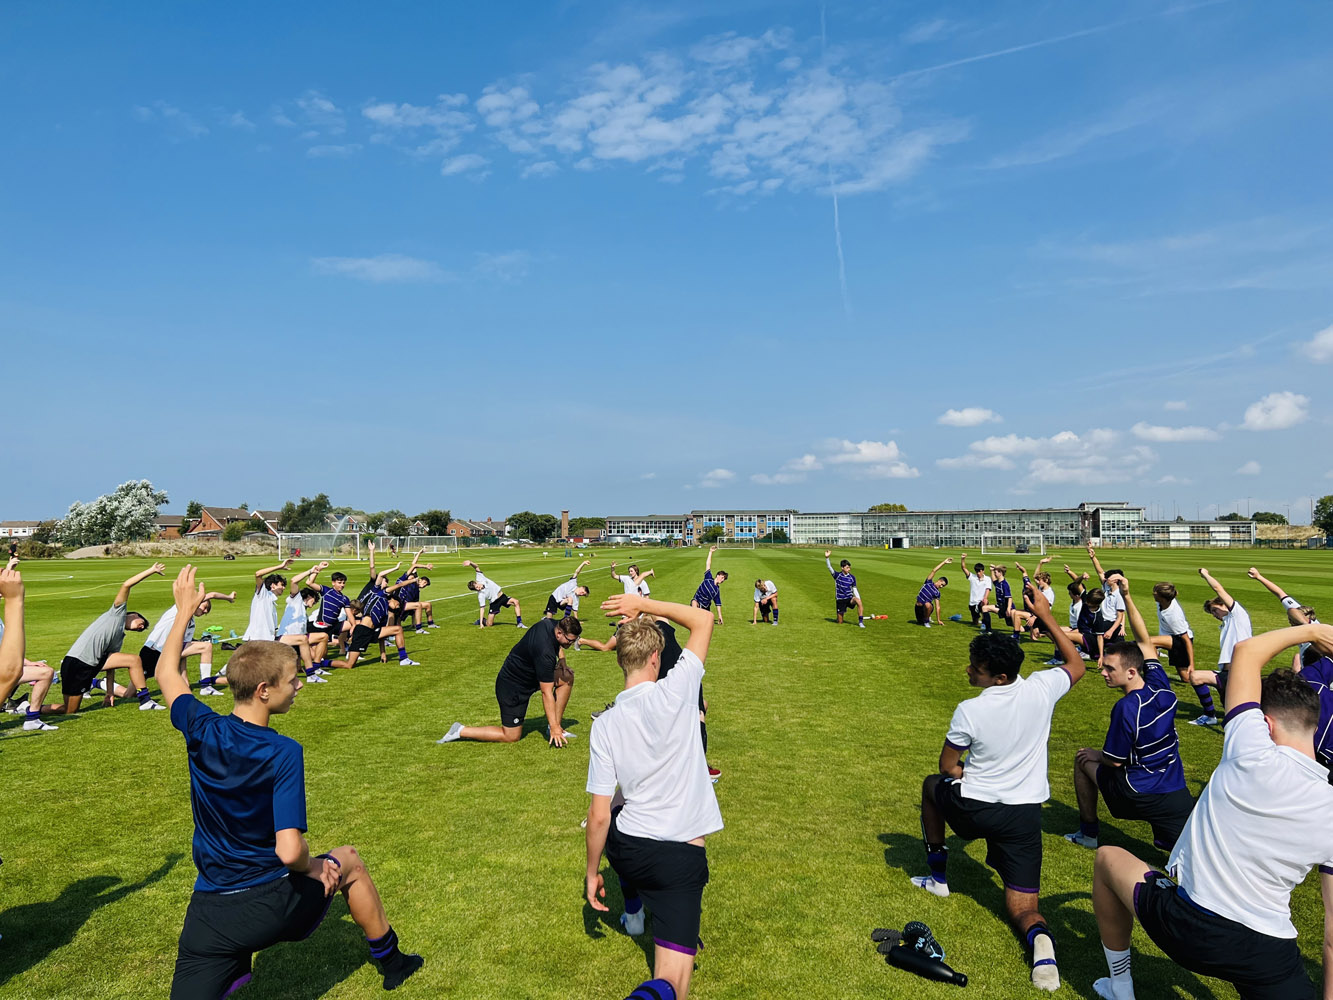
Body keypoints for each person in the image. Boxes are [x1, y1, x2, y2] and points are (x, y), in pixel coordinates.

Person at [154, 566, 423, 998]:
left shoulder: (200, 727)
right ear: (264, 690)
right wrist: (317, 867)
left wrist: (184, 612)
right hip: (269, 903)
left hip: (208, 912)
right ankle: (392, 962)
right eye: (292, 680)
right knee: (348, 859)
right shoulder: (281, 751)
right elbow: (290, 851)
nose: (299, 686)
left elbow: (167, 674)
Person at [1089, 622, 1333, 1000]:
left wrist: (1314, 631)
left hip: (1185, 925)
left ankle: (1120, 985)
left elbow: (1247, 652)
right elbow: (1332, 937)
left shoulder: (1248, 749)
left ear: (1265, 724)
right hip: (1266, 952)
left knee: (1107, 858)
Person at [910, 585, 1084, 992]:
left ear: (999, 676)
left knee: (931, 785)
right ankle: (1041, 944)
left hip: (976, 807)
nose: (968, 671)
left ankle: (938, 879)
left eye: (976, 668)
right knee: (1025, 907)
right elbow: (1076, 663)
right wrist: (1044, 613)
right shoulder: (1042, 688)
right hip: (1024, 815)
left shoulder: (971, 709)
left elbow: (947, 766)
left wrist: (968, 773)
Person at [584, 591, 719, 1000]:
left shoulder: (604, 724)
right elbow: (703, 620)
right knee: (672, 984)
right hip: (677, 858)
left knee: (619, 804)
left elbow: (598, 816)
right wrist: (646, 605)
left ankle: (633, 909)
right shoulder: (677, 690)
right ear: (657, 659)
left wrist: (592, 874)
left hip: (626, 852)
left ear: (621, 660)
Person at [1065, 575, 1193, 853]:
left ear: (1131, 672)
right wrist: (1127, 595)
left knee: (1082, 759)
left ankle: (1088, 834)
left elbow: (1113, 761)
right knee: (1185, 857)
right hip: (1176, 793)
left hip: (1136, 793)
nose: (1102, 672)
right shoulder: (1163, 688)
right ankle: (1163, 835)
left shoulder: (1126, 707)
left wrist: (1095, 755)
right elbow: (1145, 641)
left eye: (1109, 668)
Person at [438, 614, 582, 746]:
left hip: (531, 675)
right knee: (511, 736)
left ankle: (553, 725)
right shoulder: (545, 653)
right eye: (570, 641)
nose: (571, 643)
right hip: (512, 686)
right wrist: (555, 729)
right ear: (559, 633)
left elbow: (557, 644)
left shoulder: (552, 624)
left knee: (567, 677)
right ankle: (460, 730)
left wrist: (562, 660)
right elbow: (546, 693)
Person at [42, 562, 166, 716]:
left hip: (92, 665)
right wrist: (151, 570)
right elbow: (126, 585)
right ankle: (30, 709)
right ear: (134, 614)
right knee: (69, 711)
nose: (142, 627)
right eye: (142, 623)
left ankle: (145, 700)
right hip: (76, 663)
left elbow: (110, 668)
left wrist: (110, 693)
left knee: (134, 660)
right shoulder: (117, 614)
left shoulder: (119, 638)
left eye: (143, 629)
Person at [1184, 567, 1254, 723]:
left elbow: (1218, 588)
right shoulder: (1226, 624)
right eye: (1212, 613)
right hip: (1227, 673)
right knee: (1195, 677)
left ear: (1224, 605)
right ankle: (1210, 716)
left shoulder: (1237, 615)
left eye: (1215, 610)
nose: (1215, 615)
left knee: (1240, 712)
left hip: (1240, 673)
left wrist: (1205, 574)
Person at [141, 589, 237, 698]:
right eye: (205, 607)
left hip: (168, 652)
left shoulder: (191, 624)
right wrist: (229, 597)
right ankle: (205, 687)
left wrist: (184, 679)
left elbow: (182, 652)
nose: (205, 611)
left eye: (207, 611)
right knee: (131, 692)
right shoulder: (180, 609)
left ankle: (206, 685)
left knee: (206, 647)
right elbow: (212, 594)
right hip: (152, 651)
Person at [1150, 580, 1216, 725]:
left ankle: (1154, 674)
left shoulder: (1174, 615)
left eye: (1155, 592)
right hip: (1170, 638)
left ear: (1162, 597)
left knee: (1149, 641)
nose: (1153, 593)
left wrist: (1192, 663)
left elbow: (1186, 639)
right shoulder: (1161, 602)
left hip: (1180, 641)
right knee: (1185, 678)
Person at [1247, 565, 1322, 669]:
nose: (1289, 621)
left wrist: (1304, 625)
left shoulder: (1313, 626)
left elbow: (1292, 611)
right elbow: (1280, 593)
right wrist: (1259, 577)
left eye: (1291, 620)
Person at [241, 558, 296, 643]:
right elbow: (258, 574)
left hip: (266, 639)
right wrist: (280, 566)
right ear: (273, 585)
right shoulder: (263, 595)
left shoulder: (272, 599)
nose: (284, 588)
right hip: (257, 638)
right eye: (282, 585)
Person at [464, 559, 525, 628]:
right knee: (489, 624)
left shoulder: (480, 578)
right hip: (494, 603)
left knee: (516, 602)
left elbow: (476, 567)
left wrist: (470, 563)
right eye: (476, 589)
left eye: (477, 586)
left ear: (476, 582)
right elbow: (482, 609)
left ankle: (519, 622)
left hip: (502, 596)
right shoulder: (481, 595)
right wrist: (481, 623)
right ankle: (484, 621)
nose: (478, 588)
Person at [1086, 545, 1126, 641]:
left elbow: (1120, 616)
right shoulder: (1107, 587)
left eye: (1109, 578)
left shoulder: (1119, 595)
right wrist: (1093, 558)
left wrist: (1111, 631)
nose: (1106, 579)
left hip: (1111, 623)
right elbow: (1100, 571)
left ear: (1115, 580)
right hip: (1102, 620)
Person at [825, 550, 863, 627]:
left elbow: (854, 589)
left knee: (858, 601)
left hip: (849, 599)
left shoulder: (852, 577)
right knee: (840, 622)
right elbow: (829, 568)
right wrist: (827, 558)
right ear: (842, 568)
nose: (849, 569)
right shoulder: (837, 575)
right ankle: (838, 617)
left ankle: (860, 622)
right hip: (840, 600)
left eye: (849, 567)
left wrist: (858, 598)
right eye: (847, 567)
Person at [691, 546, 727, 625]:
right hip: (697, 600)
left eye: (724, 579)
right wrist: (710, 552)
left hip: (705, 606)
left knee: (707, 620)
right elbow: (708, 564)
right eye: (722, 577)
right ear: (718, 575)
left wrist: (720, 616)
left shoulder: (716, 590)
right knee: (694, 602)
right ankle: (693, 619)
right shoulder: (708, 578)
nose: (722, 580)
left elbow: (718, 604)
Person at [914, 558, 952, 627]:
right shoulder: (928, 582)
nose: (941, 586)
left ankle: (926, 621)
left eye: (943, 586)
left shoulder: (937, 593)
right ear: (939, 580)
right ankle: (925, 618)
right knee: (919, 622)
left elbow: (938, 607)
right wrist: (944, 562)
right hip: (918, 608)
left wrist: (938, 620)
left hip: (927, 607)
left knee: (928, 604)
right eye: (942, 584)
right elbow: (934, 571)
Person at [961, 553, 991, 631]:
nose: (978, 573)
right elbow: (964, 568)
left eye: (979, 571)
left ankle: (984, 623)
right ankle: (977, 620)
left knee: (985, 605)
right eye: (976, 571)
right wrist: (963, 559)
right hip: (972, 602)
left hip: (981, 601)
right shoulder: (972, 577)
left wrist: (985, 598)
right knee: (975, 622)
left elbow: (988, 589)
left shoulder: (987, 579)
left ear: (983, 571)